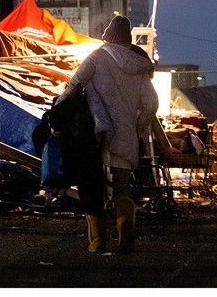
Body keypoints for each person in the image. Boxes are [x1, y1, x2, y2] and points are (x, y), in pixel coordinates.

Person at [53, 14, 158, 255]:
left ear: (108, 37)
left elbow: (74, 85)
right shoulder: (138, 65)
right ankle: (124, 228)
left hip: (95, 133)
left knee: (91, 185)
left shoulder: (97, 56)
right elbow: (151, 103)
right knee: (122, 187)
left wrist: (57, 111)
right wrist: (138, 124)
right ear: (127, 39)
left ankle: (98, 241)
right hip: (125, 133)